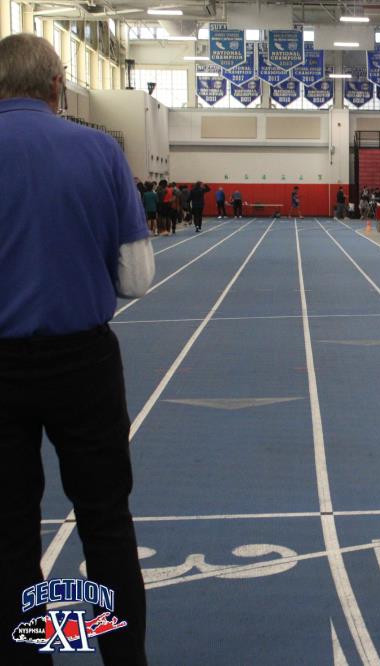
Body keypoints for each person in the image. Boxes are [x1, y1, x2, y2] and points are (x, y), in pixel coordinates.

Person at [0, 33, 152, 664]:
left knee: (9, 533)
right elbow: (137, 278)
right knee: (106, 522)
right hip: (83, 363)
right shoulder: (99, 150)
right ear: (58, 86)